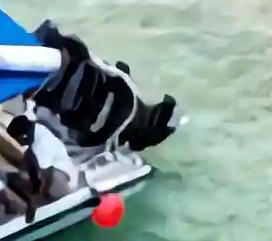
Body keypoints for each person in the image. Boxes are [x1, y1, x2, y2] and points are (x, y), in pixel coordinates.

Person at [31, 21, 178, 151]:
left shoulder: (128, 96)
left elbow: (104, 67)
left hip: (65, 79)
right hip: (54, 94)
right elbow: (84, 138)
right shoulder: (113, 133)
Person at [9, 109, 74, 209]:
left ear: (24, 136)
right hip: (55, 161)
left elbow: (48, 174)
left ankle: (56, 201)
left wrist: (44, 191)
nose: (18, 143)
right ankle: (36, 184)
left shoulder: (40, 147)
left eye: (17, 139)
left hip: (61, 172)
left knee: (46, 190)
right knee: (28, 154)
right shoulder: (35, 128)